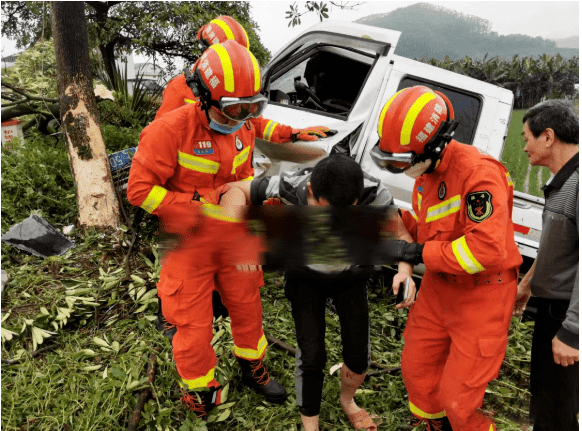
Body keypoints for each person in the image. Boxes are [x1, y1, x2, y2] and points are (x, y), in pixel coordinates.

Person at [127, 40, 286, 418]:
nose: (243, 117)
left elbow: (243, 180)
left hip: (233, 238)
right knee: (192, 325)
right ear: (203, 97)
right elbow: (138, 191)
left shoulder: (243, 128)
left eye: (252, 108)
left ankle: (252, 368)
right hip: (189, 242)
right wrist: (203, 205)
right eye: (234, 109)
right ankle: (202, 392)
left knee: (248, 306)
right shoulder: (169, 131)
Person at [216, 154, 417, 431]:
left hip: (351, 276)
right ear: (310, 192)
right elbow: (235, 189)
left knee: (358, 359)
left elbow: (402, 235)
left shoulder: (374, 193)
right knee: (311, 357)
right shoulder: (292, 184)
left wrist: (405, 270)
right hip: (305, 277)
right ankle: (310, 426)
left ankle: (348, 401)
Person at [370, 85, 523, 430]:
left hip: (483, 296)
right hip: (441, 289)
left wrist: (419, 253)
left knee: (459, 397)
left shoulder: (479, 174)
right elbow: (429, 231)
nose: (401, 168)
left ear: (434, 146)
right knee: (417, 372)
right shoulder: (427, 176)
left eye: (403, 161)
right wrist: (394, 224)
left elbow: (485, 249)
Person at [154, 15, 330, 144]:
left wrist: (291, 133)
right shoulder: (178, 89)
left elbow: (254, 122)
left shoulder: (235, 86)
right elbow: (160, 138)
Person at [513, 99, 579, 431]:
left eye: (526, 137)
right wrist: (527, 285)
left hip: (566, 316)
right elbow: (559, 248)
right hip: (551, 308)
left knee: (557, 408)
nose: (524, 146)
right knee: (544, 400)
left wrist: (573, 332)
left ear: (548, 136)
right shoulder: (562, 183)